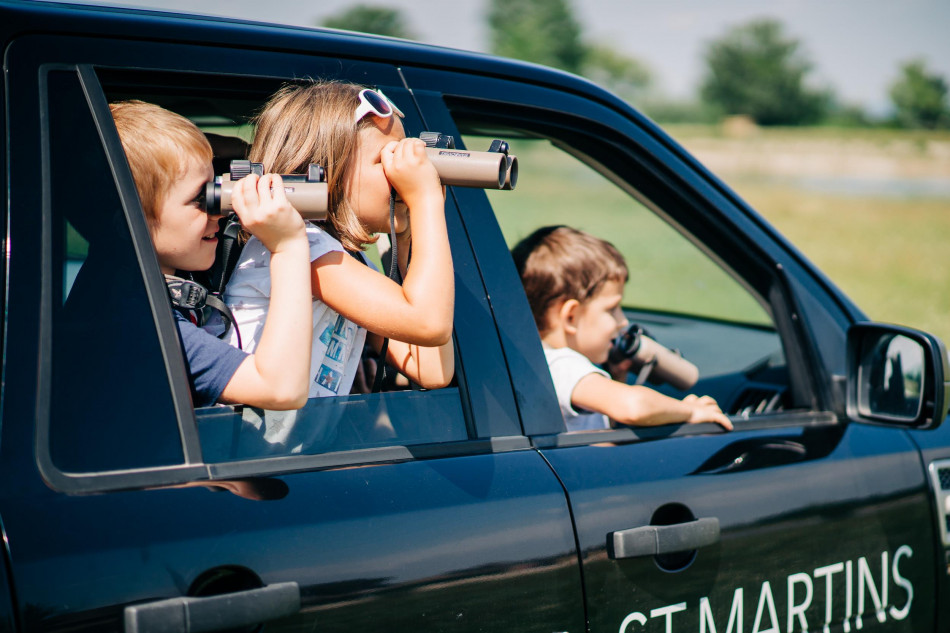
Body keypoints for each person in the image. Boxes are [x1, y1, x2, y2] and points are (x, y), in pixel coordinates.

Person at [223, 81, 455, 451]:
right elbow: (428, 323)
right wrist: (427, 200)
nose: (404, 174)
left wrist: (410, 233)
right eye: (387, 160)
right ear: (324, 169)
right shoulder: (301, 248)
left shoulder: (347, 259)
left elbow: (432, 368)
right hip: (245, 460)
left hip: (284, 464)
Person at [110, 100, 313, 410]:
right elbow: (280, 389)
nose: (218, 213)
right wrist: (288, 246)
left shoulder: (139, 290)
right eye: (199, 199)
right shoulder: (137, 320)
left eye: (215, 190)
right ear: (130, 219)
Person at [511, 225, 733, 432]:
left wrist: (617, 378)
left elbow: (599, 429)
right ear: (570, 316)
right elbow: (633, 407)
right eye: (612, 309)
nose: (623, 321)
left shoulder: (539, 361)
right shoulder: (560, 365)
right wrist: (689, 411)